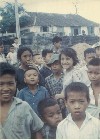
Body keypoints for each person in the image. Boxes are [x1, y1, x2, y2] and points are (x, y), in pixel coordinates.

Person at [0, 62, 44, 139]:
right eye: (1, 84)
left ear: (15, 84)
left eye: (10, 83)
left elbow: (37, 129)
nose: (6, 88)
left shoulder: (24, 107)